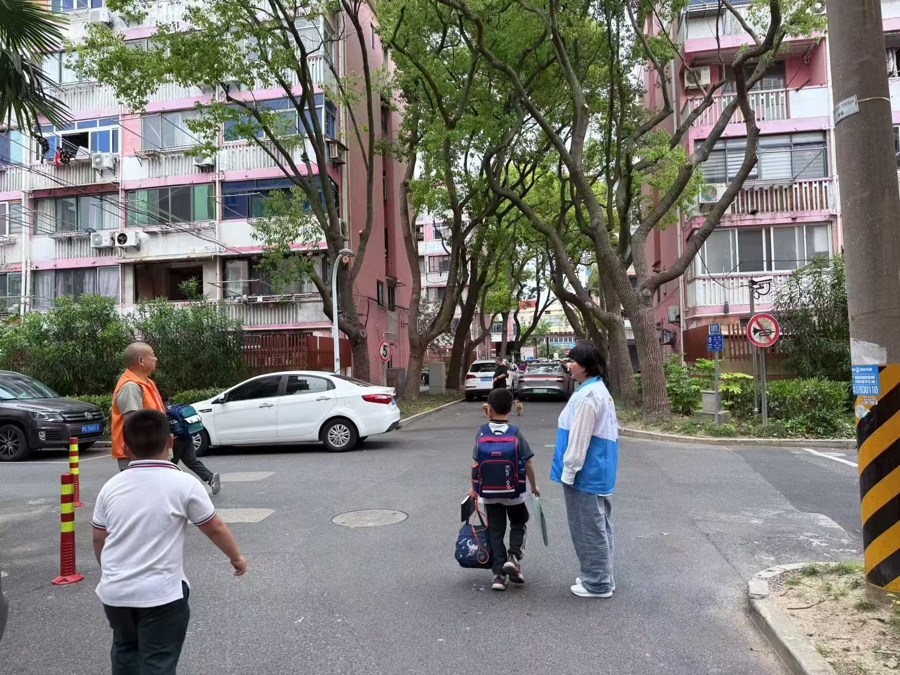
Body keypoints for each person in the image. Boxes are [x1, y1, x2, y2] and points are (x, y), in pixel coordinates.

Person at [92, 410, 247, 674]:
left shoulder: (111, 486)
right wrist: (236, 558)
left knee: (125, 650)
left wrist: (109, 570)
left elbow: (99, 538)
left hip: (115, 592)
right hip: (161, 594)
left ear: (126, 448)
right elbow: (214, 527)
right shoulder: (184, 483)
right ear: (171, 442)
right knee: (158, 660)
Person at [550, 342, 619, 599]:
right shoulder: (597, 390)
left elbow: (579, 438)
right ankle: (602, 576)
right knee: (599, 525)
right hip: (597, 471)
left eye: (573, 361)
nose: (569, 365)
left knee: (587, 528)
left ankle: (597, 583)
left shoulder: (588, 396)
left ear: (586, 366)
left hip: (585, 473)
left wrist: (569, 472)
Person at [112, 342, 220, 495]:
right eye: (153, 355)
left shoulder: (147, 383)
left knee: (157, 495)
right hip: (140, 456)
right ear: (141, 360)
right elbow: (134, 424)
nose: (156, 359)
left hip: (153, 452)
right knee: (145, 496)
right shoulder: (130, 386)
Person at [468, 388, 540, 592]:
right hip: (514, 493)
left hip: (489, 494)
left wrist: (474, 489)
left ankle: (498, 575)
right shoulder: (515, 433)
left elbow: (475, 464)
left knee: (495, 532)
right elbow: (528, 462)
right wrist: (533, 486)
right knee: (519, 523)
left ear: (488, 409)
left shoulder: (482, 432)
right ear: (510, 409)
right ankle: (513, 557)